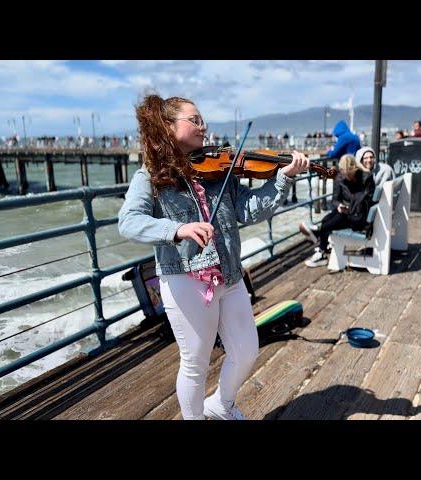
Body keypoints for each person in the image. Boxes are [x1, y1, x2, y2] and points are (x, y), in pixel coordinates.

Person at [118, 93, 308, 419]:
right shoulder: (150, 176)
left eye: (203, 120)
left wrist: (283, 179)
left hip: (229, 274)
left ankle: (221, 405)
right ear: (168, 125)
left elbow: (247, 209)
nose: (203, 127)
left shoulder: (218, 170)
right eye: (195, 120)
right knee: (196, 361)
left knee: (247, 351)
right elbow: (129, 222)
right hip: (185, 277)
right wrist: (176, 230)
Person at [299, 154, 365, 267]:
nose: (346, 176)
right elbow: (335, 199)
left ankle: (318, 241)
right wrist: (339, 205)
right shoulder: (339, 177)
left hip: (356, 215)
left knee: (326, 226)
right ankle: (322, 248)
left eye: (348, 173)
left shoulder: (362, 178)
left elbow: (361, 200)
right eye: (344, 173)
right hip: (346, 211)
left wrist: (349, 208)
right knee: (326, 220)